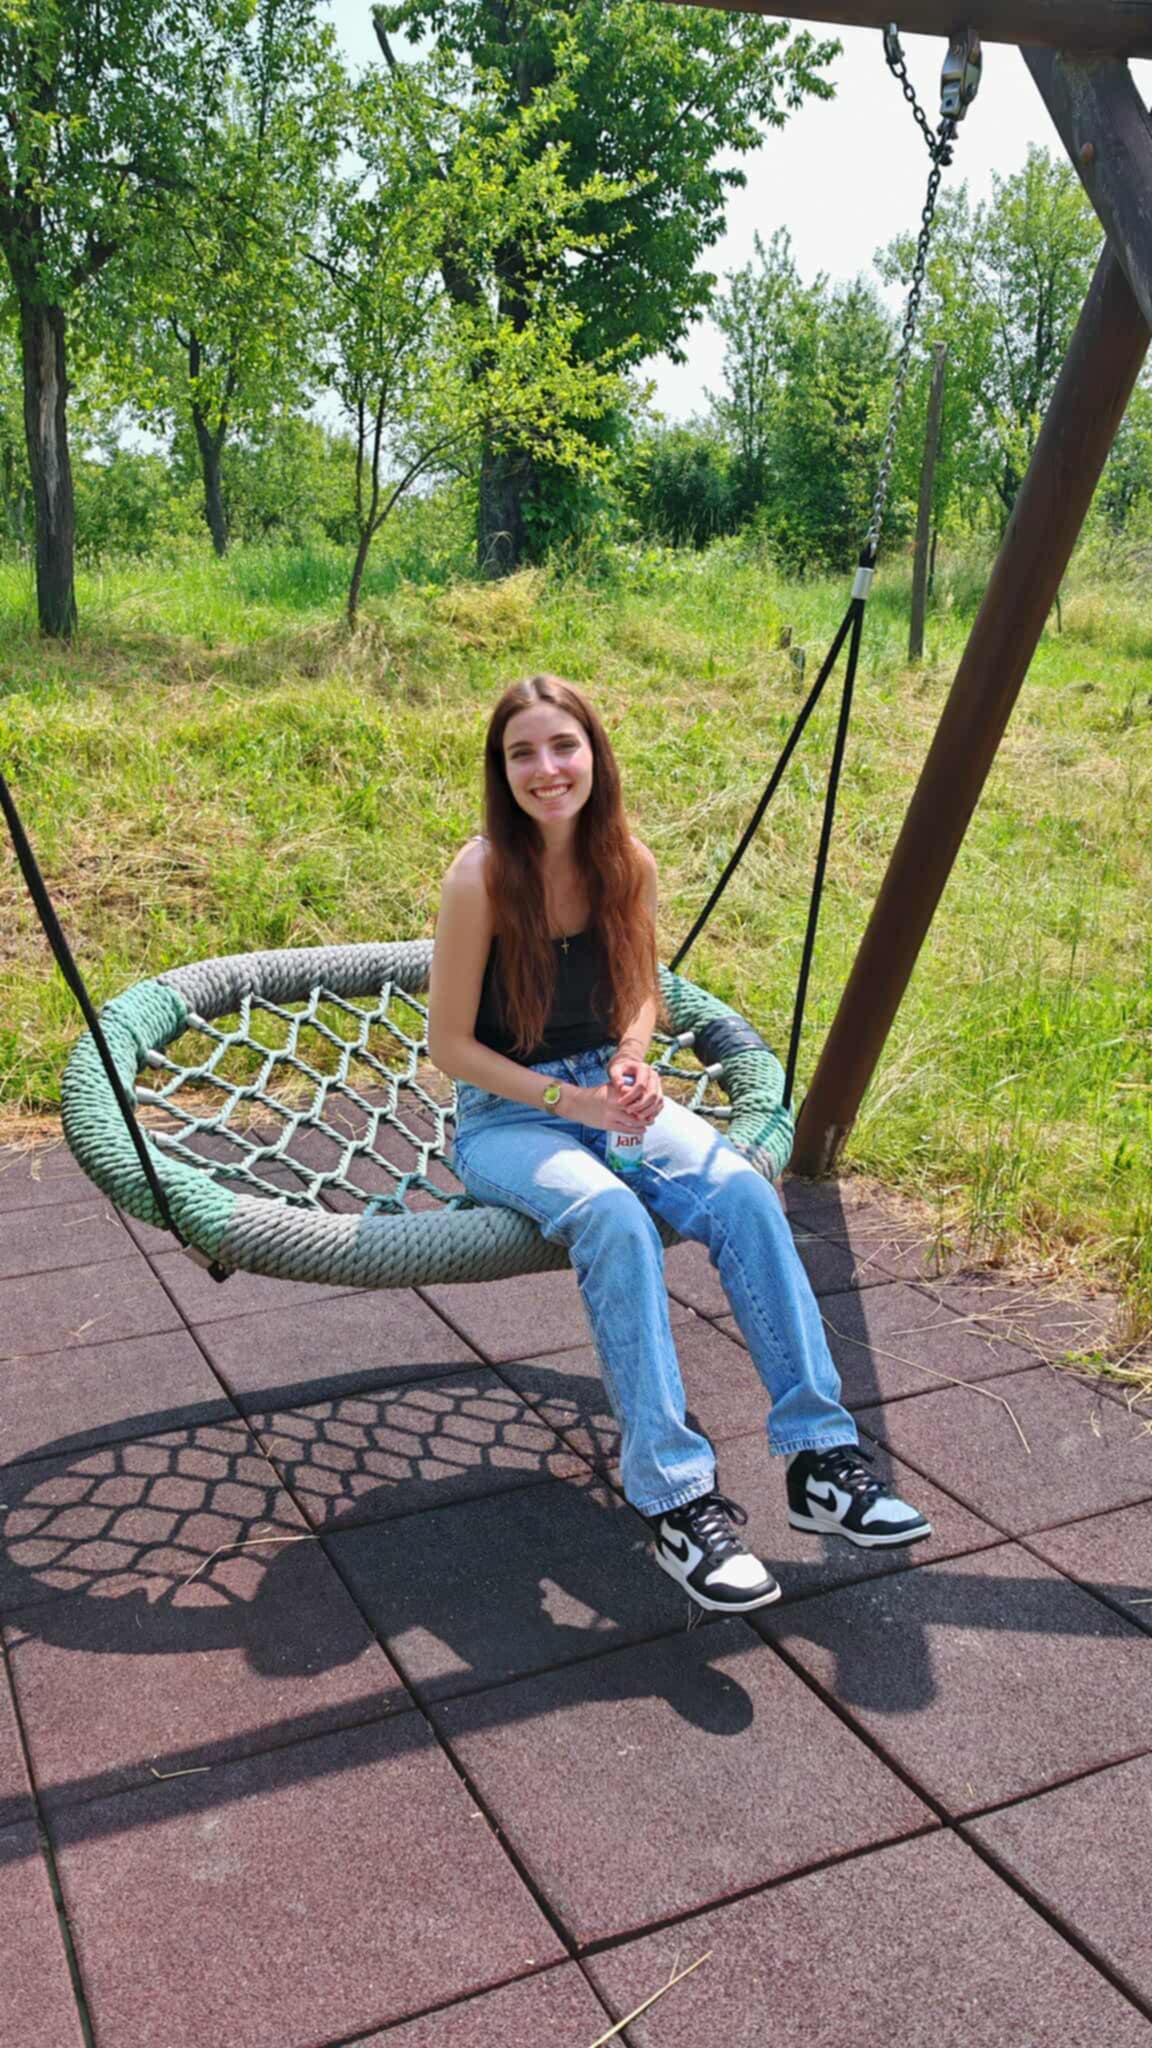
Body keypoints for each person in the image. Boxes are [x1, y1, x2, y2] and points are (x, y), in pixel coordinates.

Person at [428, 674, 930, 1614]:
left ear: (594, 754)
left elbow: (640, 992)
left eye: (563, 745)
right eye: (522, 753)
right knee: (613, 1218)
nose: (546, 769)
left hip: (602, 1089)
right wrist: (572, 1102)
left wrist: (631, 1059)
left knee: (740, 1191)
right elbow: (448, 1046)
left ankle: (820, 1459)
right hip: (507, 1116)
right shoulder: (480, 877)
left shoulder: (627, 862)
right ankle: (677, 1502)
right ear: (502, 772)